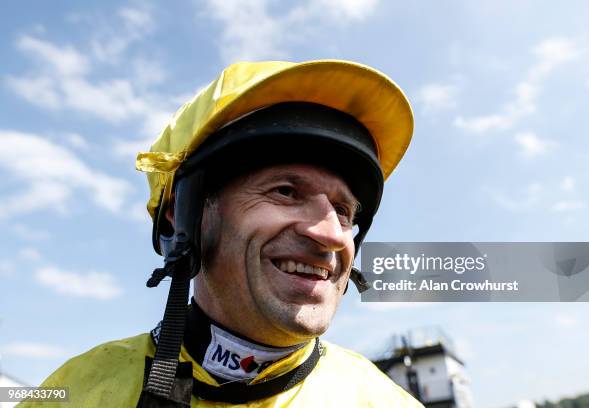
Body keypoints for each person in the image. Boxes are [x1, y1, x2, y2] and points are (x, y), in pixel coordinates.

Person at [20, 60, 422, 407]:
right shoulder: (72, 391)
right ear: (185, 216)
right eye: (285, 192)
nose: (332, 235)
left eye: (343, 211)